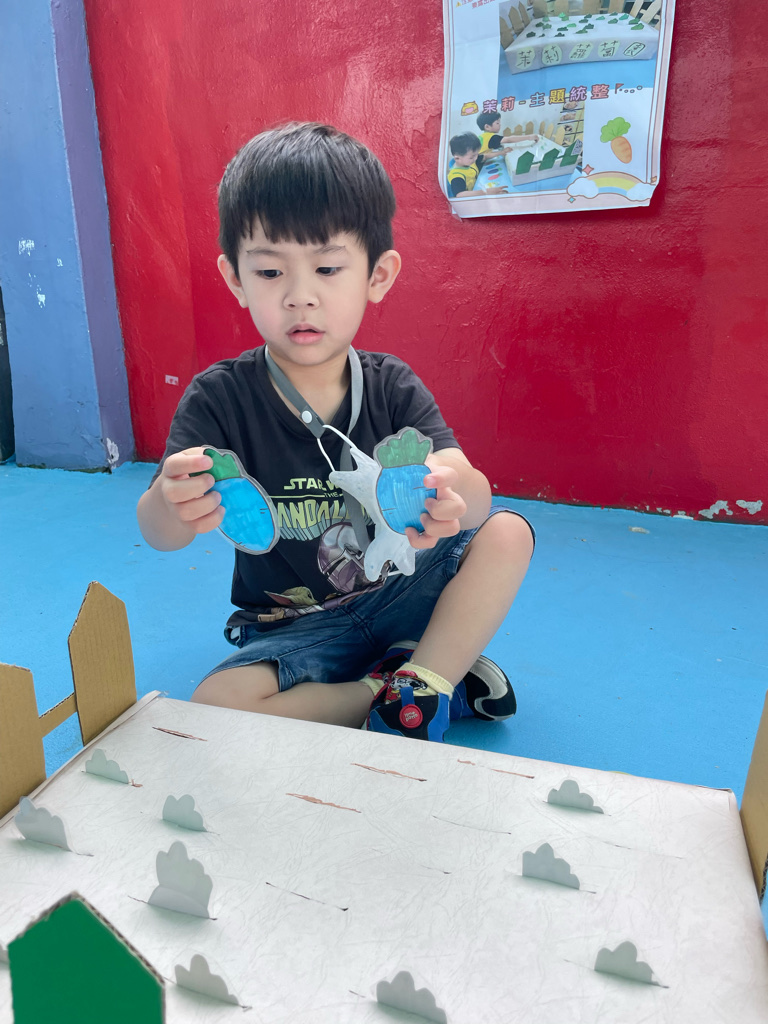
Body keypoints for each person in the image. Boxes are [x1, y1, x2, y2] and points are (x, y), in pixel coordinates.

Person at [137, 122, 534, 742]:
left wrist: (445, 487)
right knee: (216, 704)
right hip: (296, 627)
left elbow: (474, 494)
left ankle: (421, 675)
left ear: (378, 275)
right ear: (235, 278)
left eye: (327, 267)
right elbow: (160, 536)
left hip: (399, 592)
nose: (301, 297)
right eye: (271, 273)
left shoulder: (391, 384)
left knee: (508, 533)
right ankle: (412, 686)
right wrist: (171, 502)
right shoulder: (217, 399)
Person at [447, 132, 508, 198]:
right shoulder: (456, 176)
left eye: (476, 154)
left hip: (478, 187)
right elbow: (459, 195)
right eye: (472, 157)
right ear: (457, 158)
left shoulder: (468, 161)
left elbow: (485, 156)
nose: (476, 158)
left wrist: (500, 153)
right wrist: (486, 192)